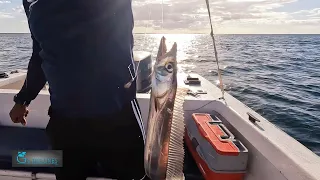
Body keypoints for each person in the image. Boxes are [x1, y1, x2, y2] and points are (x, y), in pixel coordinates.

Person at [9, 0, 147, 179]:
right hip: (65, 122)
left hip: (117, 117)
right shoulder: (31, 2)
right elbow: (40, 53)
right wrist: (23, 99)